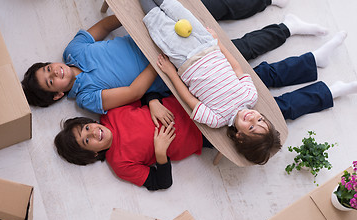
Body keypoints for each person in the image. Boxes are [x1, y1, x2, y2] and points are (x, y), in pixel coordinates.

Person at [21, 1, 326, 122]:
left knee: (210, 9)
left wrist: (131, 18)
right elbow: (132, 94)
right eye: (52, 80)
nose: (56, 71)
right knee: (240, 50)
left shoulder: (72, 52)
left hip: (152, 32)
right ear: (59, 93)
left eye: (48, 68)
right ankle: (287, 28)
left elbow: (100, 29)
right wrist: (157, 63)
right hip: (172, 66)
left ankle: (263, 1)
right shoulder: (86, 98)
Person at [139, 0, 356, 164]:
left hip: (184, 58)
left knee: (155, 18)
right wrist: (219, 44)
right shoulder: (250, 97)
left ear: (240, 136)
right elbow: (237, 67)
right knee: (268, 72)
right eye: (261, 120)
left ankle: (327, 85)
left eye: (252, 125)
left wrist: (170, 72)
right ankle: (314, 59)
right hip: (209, 47)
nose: (255, 117)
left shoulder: (217, 120)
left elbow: (187, 97)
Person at [54, 95, 213, 191]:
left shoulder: (111, 112)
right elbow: (161, 183)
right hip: (204, 134)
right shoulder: (120, 164)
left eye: (87, 127)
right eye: (87, 140)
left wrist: (152, 101)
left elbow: (143, 93)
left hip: (188, 99)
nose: (94, 132)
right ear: (93, 154)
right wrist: (160, 153)